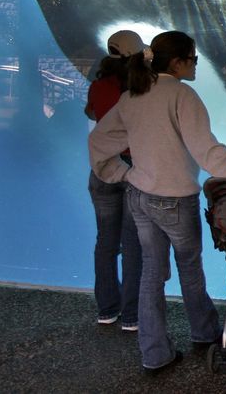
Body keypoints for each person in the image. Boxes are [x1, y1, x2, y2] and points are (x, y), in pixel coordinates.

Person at [88, 30, 226, 374]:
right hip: (174, 200)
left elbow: (99, 141)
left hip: (140, 197)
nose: (197, 65)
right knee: (189, 268)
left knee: (150, 276)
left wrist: (124, 174)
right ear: (178, 61)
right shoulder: (182, 96)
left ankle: (154, 354)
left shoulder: (133, 95)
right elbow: (206, 152)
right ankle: (204, 333)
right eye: (194, 59)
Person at [84, 30, 147, 332]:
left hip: (103, 169)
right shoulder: (140, 89)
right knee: (133, 243)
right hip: (134, 169)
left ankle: (107, 309)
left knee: (105, 243)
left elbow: (93, 113)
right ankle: (132, 315)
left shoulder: (97, 86)